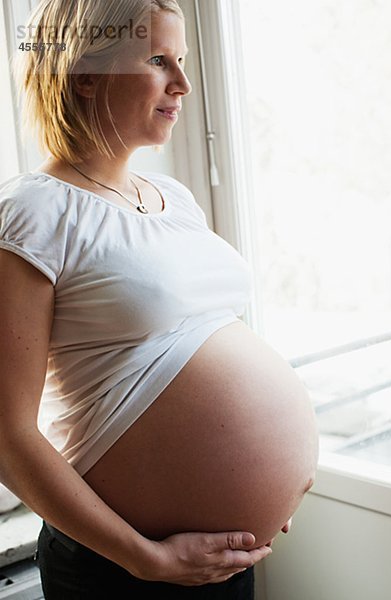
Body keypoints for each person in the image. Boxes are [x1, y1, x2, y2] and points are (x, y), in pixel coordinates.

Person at [0, 0, 319, 598]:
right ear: (84, 73)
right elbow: (6, 433)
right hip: (123, 569)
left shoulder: (174, 199)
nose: (183, 83)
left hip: (224, 559)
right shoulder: (33, 211)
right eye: (157, 59)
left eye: (184, 60)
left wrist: (261, 485)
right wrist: (145, 558)